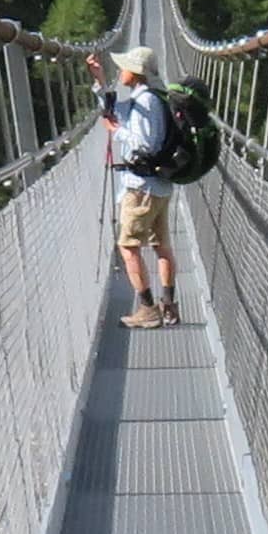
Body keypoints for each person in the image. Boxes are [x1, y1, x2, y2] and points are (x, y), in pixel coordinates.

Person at [105, 47, 182, 327]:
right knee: (162, 246)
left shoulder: (145, 102)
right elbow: (115, 108)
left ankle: (148, 310)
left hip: (141, 188)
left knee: (128, 247)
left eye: (122, 67)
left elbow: (144, 144)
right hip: (159, 186)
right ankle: (169, 306)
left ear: (135, 73)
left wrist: (116, 132)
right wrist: (98, 82)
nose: (119, 71)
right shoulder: (154, 97)